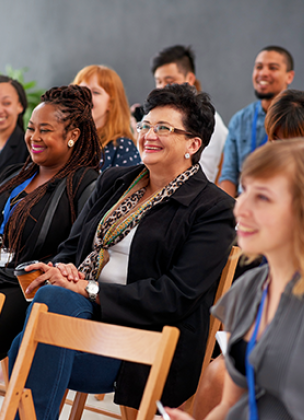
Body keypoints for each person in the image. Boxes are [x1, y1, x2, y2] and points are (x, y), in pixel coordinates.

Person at [7, 83, 235, 419]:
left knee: (31, 340)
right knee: (45, 316)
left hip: (145, 340)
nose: (148, 134)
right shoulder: (116, 180)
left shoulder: (213, 207)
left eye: (163, 128)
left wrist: (89, 288)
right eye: (144, 125)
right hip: (80, 317)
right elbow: (73, 247)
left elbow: (175, 296)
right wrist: (63, 270)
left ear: (193, 144)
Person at [181, 87, 304, 420]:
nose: (240, 209)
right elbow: (229, 403)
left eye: (262, 197)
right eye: (245, 192)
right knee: (214, 375)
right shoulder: (249, 291)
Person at [0, 84, 101, 365]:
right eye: (31, 128)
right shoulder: (14, 175)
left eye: (45, 130)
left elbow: (76, 252)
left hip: (26, 289)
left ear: (72, 135)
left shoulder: (84, 185)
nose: (34, 137)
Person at [219, 46, 295, 197]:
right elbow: (228, 175)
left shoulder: (298, 117)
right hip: (244, 201)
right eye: (259, 67)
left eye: (273, 68)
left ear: (289, 77)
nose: (263, 73)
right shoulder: (239, 120)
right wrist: (228, 213)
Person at [148, 45, 228, 182]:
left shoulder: (207, 122)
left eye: (169, 81)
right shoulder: (151, 115)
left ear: (190, 78)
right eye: (158, 82)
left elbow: (203, 177)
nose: (162, 88)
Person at [72, 65, 141, 171]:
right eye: (82, 90)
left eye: (96, 92)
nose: (87, 96)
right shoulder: (66, 139)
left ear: (111, 104)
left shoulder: (122, 147)